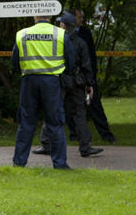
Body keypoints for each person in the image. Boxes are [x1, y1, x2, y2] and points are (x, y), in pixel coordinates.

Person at [34, 13, 103, 158]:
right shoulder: (81, 43)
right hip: (77, 82)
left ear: (63, 25)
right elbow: (87, 66)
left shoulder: (57, 40)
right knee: (79, 113)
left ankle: (46, 144)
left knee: (52, 110)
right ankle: (85, 147)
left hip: (58, 80)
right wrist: (89, 84)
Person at [11, 15, 75, 169]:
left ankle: (19, 163)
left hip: (29, 81)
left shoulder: (22, 34)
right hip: (52, 82)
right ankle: (60, 164)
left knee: (26, 123)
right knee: (55, 123)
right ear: (50, 16)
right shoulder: (60, 34)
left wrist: (27, 72)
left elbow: (14, 62)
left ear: (35, 16)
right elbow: (71, 60)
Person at [72, 8, 117, 144]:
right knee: (70, 105)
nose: (81, 19)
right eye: (79, 16)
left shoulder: (86, 33)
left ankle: (106, 134)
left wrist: (91, 75)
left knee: (94, 103)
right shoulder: (63, 34)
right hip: (71, 75)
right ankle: (74, 135)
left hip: (86, 75)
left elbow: (91, 54)